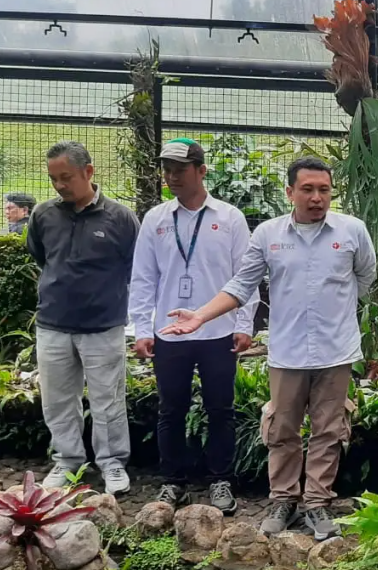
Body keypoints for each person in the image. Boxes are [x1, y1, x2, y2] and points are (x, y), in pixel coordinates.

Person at [158, 156, 376, 540]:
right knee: (282, 430)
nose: (316, 197)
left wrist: (334, 312)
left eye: (324, 190)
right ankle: (283, 500)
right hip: (287, 352)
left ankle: (317, 503)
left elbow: (365, 277)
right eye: (307, 189)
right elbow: (241, 286)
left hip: (336, 351)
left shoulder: (353, 231)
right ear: (290, 192)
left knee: (328, 431)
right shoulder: (268, 235)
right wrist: (200, 316)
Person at [128, 138, 258, 514]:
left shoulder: (230, 218)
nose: (172, 177)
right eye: (167, 170)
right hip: (169, 333)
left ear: (201, 171)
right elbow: (143, 278)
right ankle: (173, 482)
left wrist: (244, 324)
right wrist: (142, 329)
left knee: (221, 409)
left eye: (180, 170)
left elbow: (245, 276)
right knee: (171, 410)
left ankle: (221, 480)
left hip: (219, 331)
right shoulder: (156, 219)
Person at [27, 141, 139, 495]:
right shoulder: (43, 215)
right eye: (53, 179)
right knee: (58, 399)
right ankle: (67, 460)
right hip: (53, 324)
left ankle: (112, 462)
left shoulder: (120, 218)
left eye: (66, 177)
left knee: (108, 399)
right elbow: (41, 256)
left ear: (88, 171)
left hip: (104, 325)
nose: (59, 185)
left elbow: (135, 267)